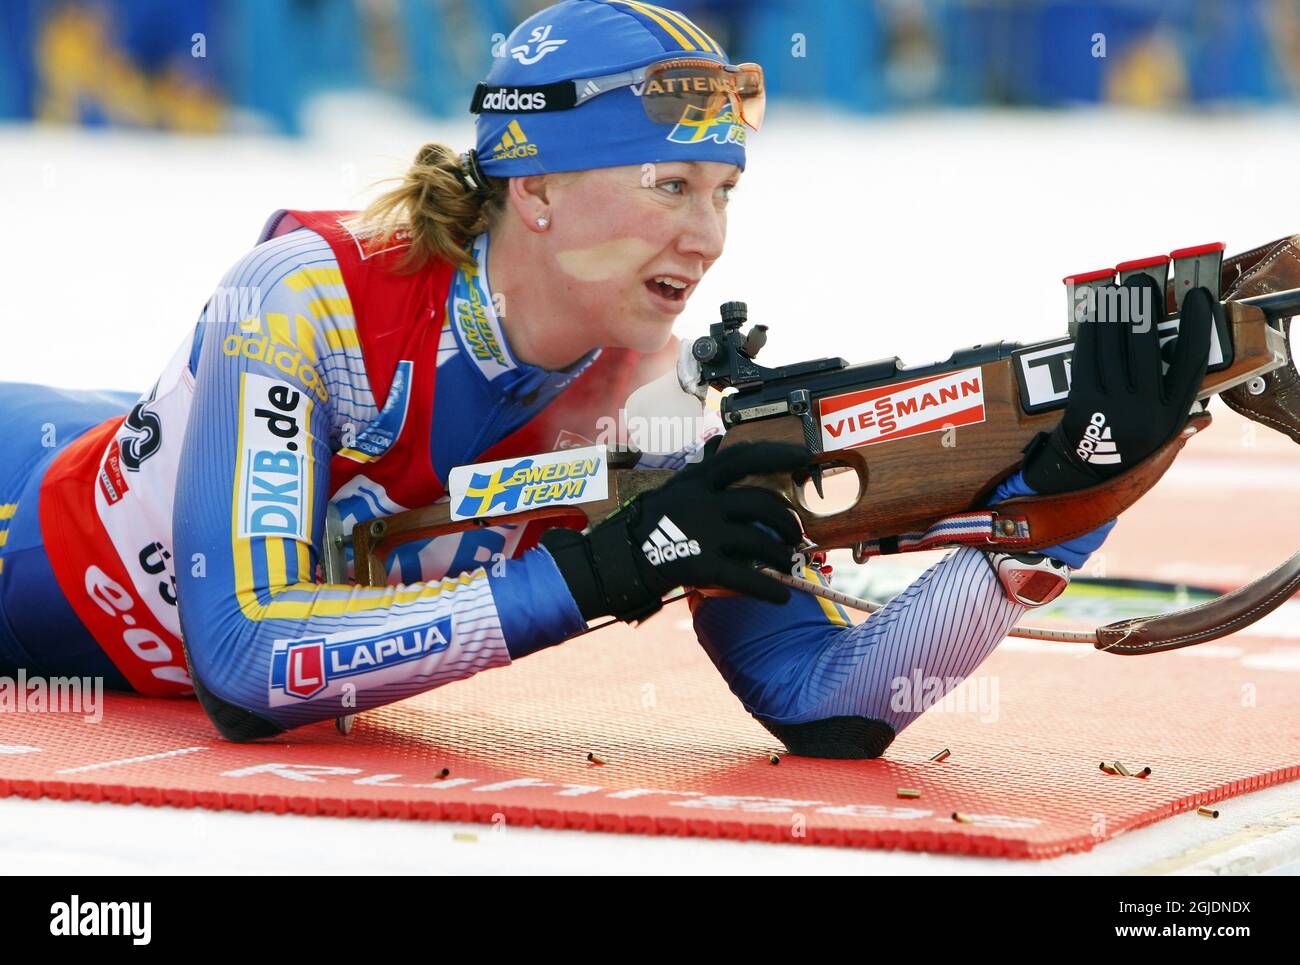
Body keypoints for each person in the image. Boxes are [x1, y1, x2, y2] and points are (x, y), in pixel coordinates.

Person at [0, 0, 1209, 757]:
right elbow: (246, 667)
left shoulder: (654, 401)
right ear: (535, 187)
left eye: (725, 192)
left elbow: (827, 700)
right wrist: (593, 574)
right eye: (669, 185)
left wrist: (1061, 509)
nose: (709, 236)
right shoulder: (304, 300)